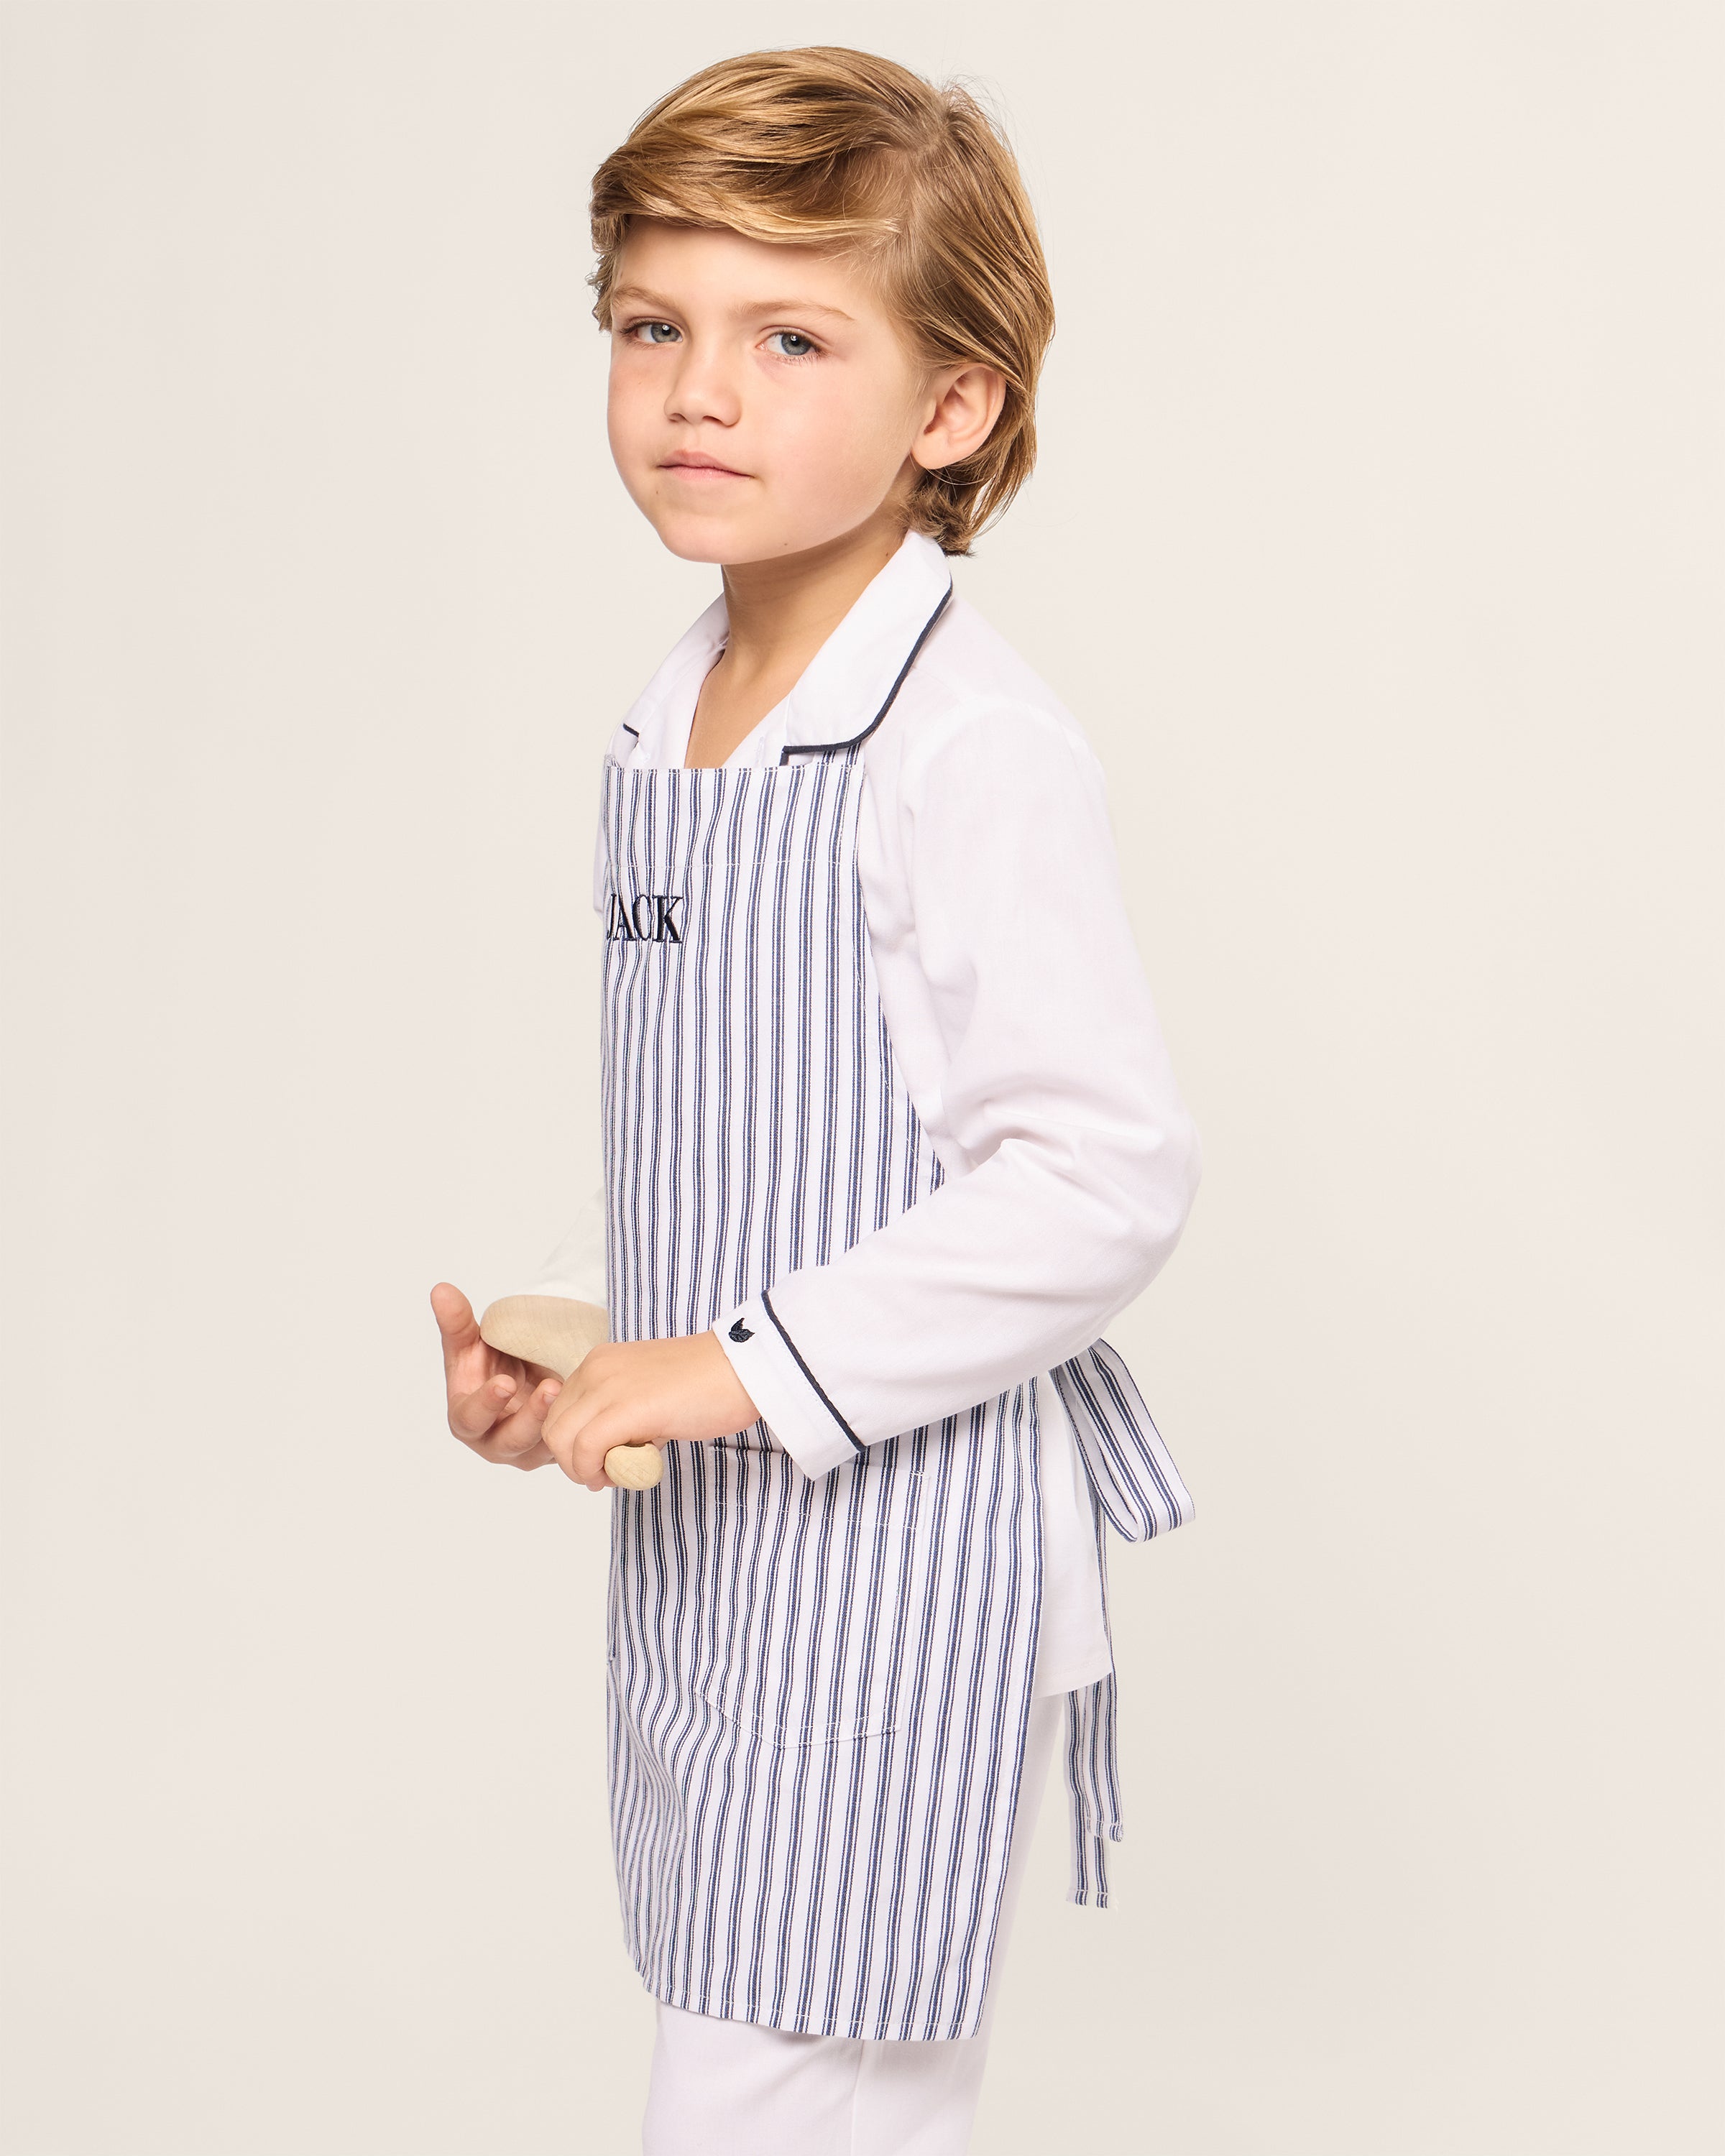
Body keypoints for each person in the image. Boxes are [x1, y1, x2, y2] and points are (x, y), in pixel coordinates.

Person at [429, 47, 1202, 2155]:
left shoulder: (969, 751)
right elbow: (785, 1137)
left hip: (890, 1573)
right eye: (654, 328)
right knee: (742, 2056)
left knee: (784, 2103)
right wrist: (593, 1344)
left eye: (789, 338)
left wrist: (731, 1370)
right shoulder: (677, 707)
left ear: (949, 409)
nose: (700, 392)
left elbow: (1101, 1177)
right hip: (723, 1568)